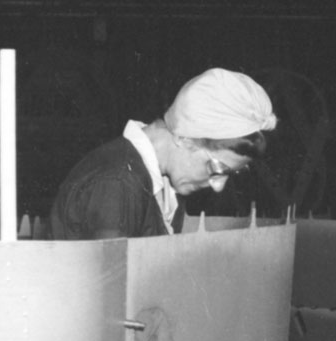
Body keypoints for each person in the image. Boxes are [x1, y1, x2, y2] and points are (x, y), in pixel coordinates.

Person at [49, 68, 275, 239]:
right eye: (216, 169)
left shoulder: (161, 183)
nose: (218, 186)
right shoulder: (117, 183)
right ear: (185, 139)